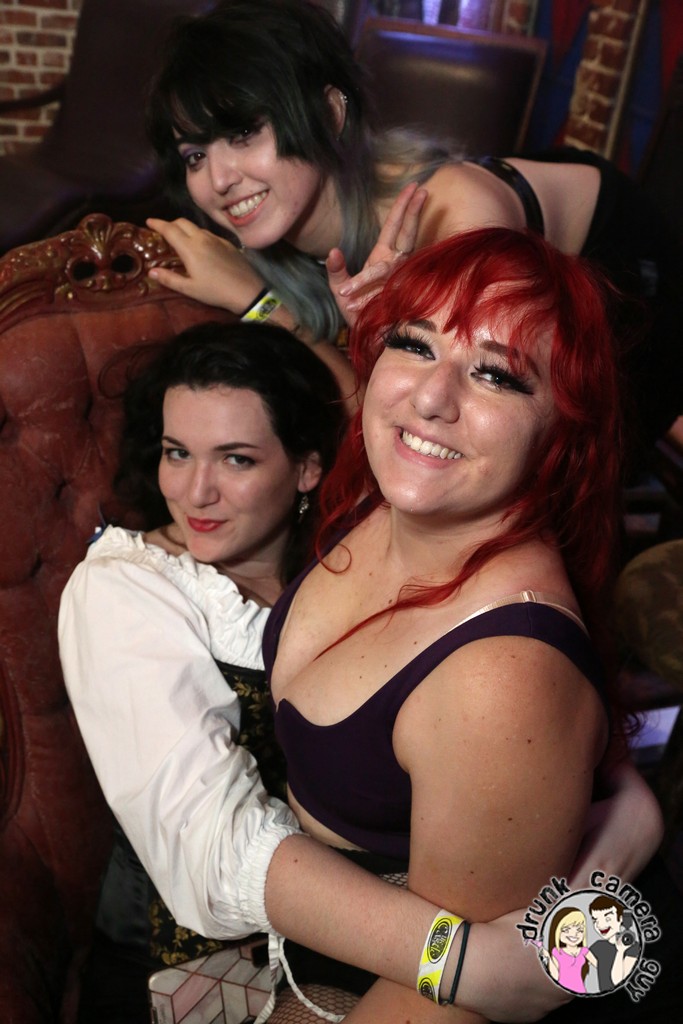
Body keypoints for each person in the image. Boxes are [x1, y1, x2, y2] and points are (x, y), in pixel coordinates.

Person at [60, 235, 672, 1024]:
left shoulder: (499, 676)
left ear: (563, 427)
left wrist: (597, 871)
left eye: (495, 373)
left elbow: (460, 1001)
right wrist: (262, 299)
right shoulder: (381, 500)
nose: (429, 398)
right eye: (413, 343)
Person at [144, 0, 683, 466]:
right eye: (195, 155)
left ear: (328, 113)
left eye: (243, 132)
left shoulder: (454, 214)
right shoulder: (264, 237)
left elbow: (413, 423)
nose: (218, 180)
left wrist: (258, 303)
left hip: (630, 291)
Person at [542, 908, 597, 995]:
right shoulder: (556, 952)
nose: (574, 934)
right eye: (566, 930)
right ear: (557, 931)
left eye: (580, 930)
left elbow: (600, 966)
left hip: (580, 991)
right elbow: (555, 976)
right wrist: (548, 957)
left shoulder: (584, 951)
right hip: (561, 992)